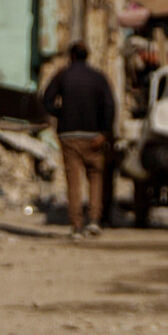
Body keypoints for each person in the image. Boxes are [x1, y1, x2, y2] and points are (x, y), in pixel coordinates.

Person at [41, 41, 115, 237]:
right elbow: (109, 105)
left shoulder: (62, 75)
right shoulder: (99, 77)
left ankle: (76, 225)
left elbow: (46, 100)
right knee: (96, 177)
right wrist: (104, 131)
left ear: (71, 56)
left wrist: (61, 113)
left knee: (73, 180)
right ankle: (94, 219)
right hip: (94, 136)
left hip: (69, 135)